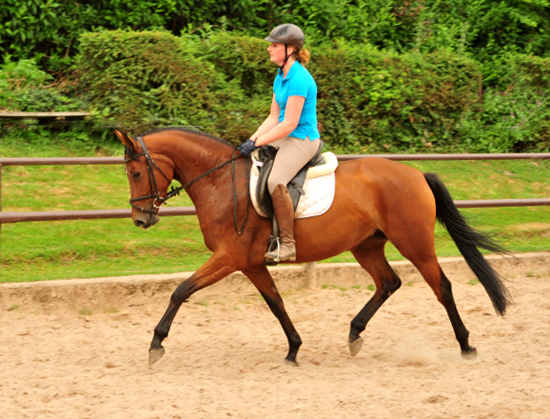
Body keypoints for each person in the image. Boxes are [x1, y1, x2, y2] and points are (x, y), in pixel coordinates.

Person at [239, 23, 321, 262]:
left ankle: (287, 244)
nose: (269, 49)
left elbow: (289, 124)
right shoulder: (280, 77)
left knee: (275, 180)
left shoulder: (299, 79)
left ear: (290, 49)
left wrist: (258, 142)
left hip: (302, 139)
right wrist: (251, 140)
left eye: (274, 45)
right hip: (283, 136)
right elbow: (274, 117)